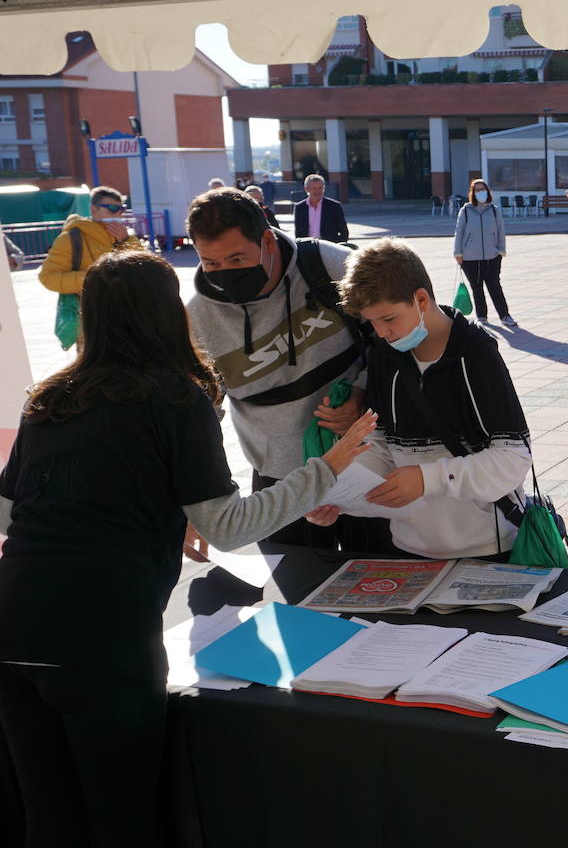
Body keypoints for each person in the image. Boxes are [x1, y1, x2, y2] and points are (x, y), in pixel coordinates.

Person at [0, 249, 375, 847]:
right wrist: (324, 469)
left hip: (15, 632)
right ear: (166, 314)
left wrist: (158, 507)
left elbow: (12, 511)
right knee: (124, 821)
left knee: (49, 819)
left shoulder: (50, 397)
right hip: (102, 642)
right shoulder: (174, 397)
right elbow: (228, 527)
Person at [186, 188, 391, 552]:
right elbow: (199, 417)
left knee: (379, 568)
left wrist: (362, 390)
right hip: (280, 479)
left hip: (363, 459)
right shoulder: (198, 320)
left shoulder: (329, 267)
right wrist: (198, 506)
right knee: (296, 575)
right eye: (211, 264)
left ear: (267, 240)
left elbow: (393, 338)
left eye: (237, 258)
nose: (226, 273)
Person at [320, 239, 534, 557]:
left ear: (421, 299)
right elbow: (379, 445)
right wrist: (335, 493)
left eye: (388, 319)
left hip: (487, 547)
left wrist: (427, 479)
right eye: (372, 322)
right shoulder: (383, 358)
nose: (381, 332)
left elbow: (513, 457)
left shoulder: (476, 354)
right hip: (408, 546)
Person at [38, 186, 141, 308]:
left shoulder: (124, 235)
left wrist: (127, 240)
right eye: (112, 209)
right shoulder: (70, 238)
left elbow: (142, 268)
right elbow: (48, 277)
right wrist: (94, 278)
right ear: (94, 210)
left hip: (123, 307)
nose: (118, 214)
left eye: (122, 209)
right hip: (87, 310)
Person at [454, 178, 516, 327]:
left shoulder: (494, 210)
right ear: (472, 193)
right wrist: (458, 253)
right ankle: (481, 317)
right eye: (477, 190)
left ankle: (505, 316)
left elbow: (501, 231)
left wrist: (501, 251)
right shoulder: (466, 211)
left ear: (487, 192)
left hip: (492, 257)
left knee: (495, 287)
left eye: (483, 189)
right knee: (477, 288)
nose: (480, 192)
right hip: (469, 258)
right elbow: (459, 233)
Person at [293, 173, 349, 243]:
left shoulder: (334, 206)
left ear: (323, 189)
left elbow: (344, 231)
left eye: (320, 188)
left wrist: (337, 246)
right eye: (314, 188)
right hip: (308, 246)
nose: (317, 191)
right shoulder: (299, 208)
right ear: (306, 189)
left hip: (329, 246)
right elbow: (298, 233)